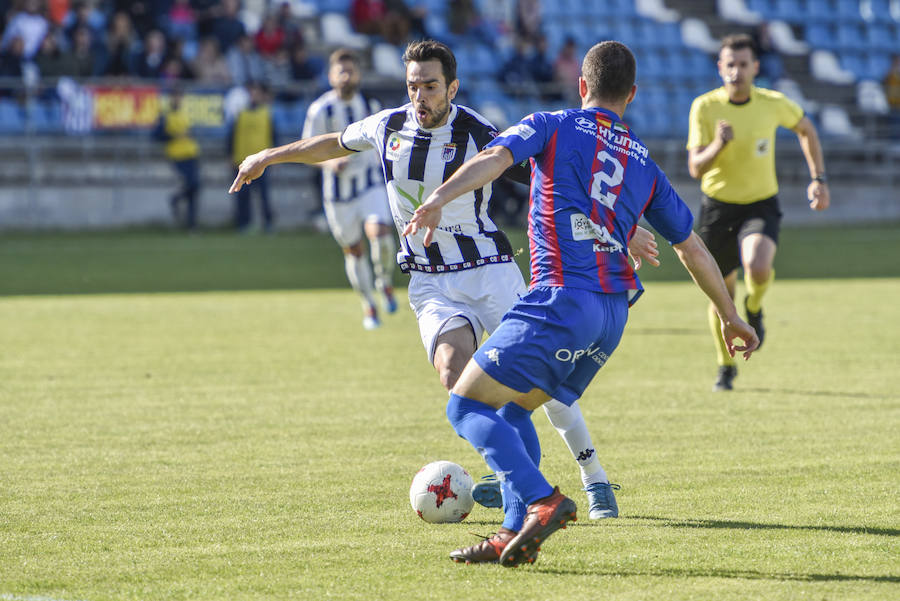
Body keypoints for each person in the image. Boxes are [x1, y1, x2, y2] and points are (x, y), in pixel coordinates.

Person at [230, 40, 659, 534]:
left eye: (430, 86)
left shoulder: (477, 130)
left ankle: (593, 477)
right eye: (413, 85)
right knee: (455, 376)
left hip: (491, 273)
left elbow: (552, 181)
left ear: (451, 87)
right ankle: (518, 479)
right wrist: (268, 156)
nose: (420, 96)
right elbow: (331, 143)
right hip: (430, 283)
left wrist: (620, 226)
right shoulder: (385, 125)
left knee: (542, 388)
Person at [403, 40, 759, 567]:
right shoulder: (643, 162)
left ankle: (544, 502)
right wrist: (731, 316)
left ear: (582, 86)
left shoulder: (552, 123)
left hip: (560, 297)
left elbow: (494, 158)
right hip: (611, 314)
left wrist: (436, 198)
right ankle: (510, 530)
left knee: (465, 404)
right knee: (511, 407)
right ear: (632, 94)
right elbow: (693, 248)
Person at [686, 33, 829, 391]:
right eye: (729, 64)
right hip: (718, 208)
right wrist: (719, 144)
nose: (736, 71)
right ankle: (725, 366)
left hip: (760, 203)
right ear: (720, 68)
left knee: (759, 266)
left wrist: (818, 178)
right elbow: (695, 168)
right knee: (721, 296)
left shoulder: (772, 103)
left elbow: (806, 129)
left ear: (755, 68)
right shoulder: (705, 107)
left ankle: (756, 304)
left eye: (743, 64)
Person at [302, 48, 398, 330]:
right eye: (340, 71)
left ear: (359, 74)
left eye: (351, 70)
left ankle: (384, 281)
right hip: (338, 194)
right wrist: (330, 165)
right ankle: (368, 305)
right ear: (331, 76)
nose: (346, 76)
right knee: (354, 251)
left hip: (370, 184)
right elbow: (307, 150)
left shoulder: (371, 105)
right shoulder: (320, 110)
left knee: (379, 233)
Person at [228, 81, 276, 233]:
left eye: (257, 92)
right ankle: (243, 224)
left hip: (263, 162)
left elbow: (274, 136)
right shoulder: (241, 114)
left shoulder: (267, 114)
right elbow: (231, 136)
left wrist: (276, 158)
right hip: (242, 161)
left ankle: (268, 224)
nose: (254, 95)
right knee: (242, 194)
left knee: (264, 195)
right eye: (252, 92)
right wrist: (230, 155)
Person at [155, 87, 201, 230]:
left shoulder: (186, 114)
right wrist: (174, 136)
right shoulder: (165, 116)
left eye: (180, 96)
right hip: (177, 155)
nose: (178, 99)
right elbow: (156, 136)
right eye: (175, 96)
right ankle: (177, 201)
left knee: (195, 186)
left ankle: (191, 223)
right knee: (193, 184)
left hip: (192, 154)